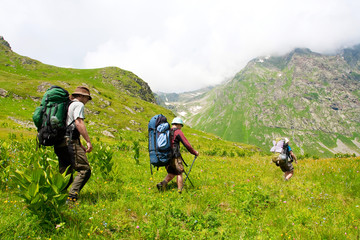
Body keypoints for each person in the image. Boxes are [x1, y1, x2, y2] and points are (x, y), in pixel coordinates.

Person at [54, 86, 93, 203]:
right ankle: (71, 198)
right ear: (80, 96)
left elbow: (67, 125)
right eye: (87, 98)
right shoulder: (78, 105)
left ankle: (57, 196)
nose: (87, 101)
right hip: (69, 142)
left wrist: (79, 143)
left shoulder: (66, 105)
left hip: (59, 142)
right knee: (85, 170)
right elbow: (78, 122)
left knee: (65, 171)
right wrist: (88, 141)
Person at [156, 117, 199, 193]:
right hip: (175, 156)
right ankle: (179, 191)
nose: (181, 127)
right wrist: (194, 152)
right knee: (180, 173)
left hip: (167, 156)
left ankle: (162, 184)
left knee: (171, 173)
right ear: (178, 125)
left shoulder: (167, 131)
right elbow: (186, 144)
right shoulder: (178, 132)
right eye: (181, 125)